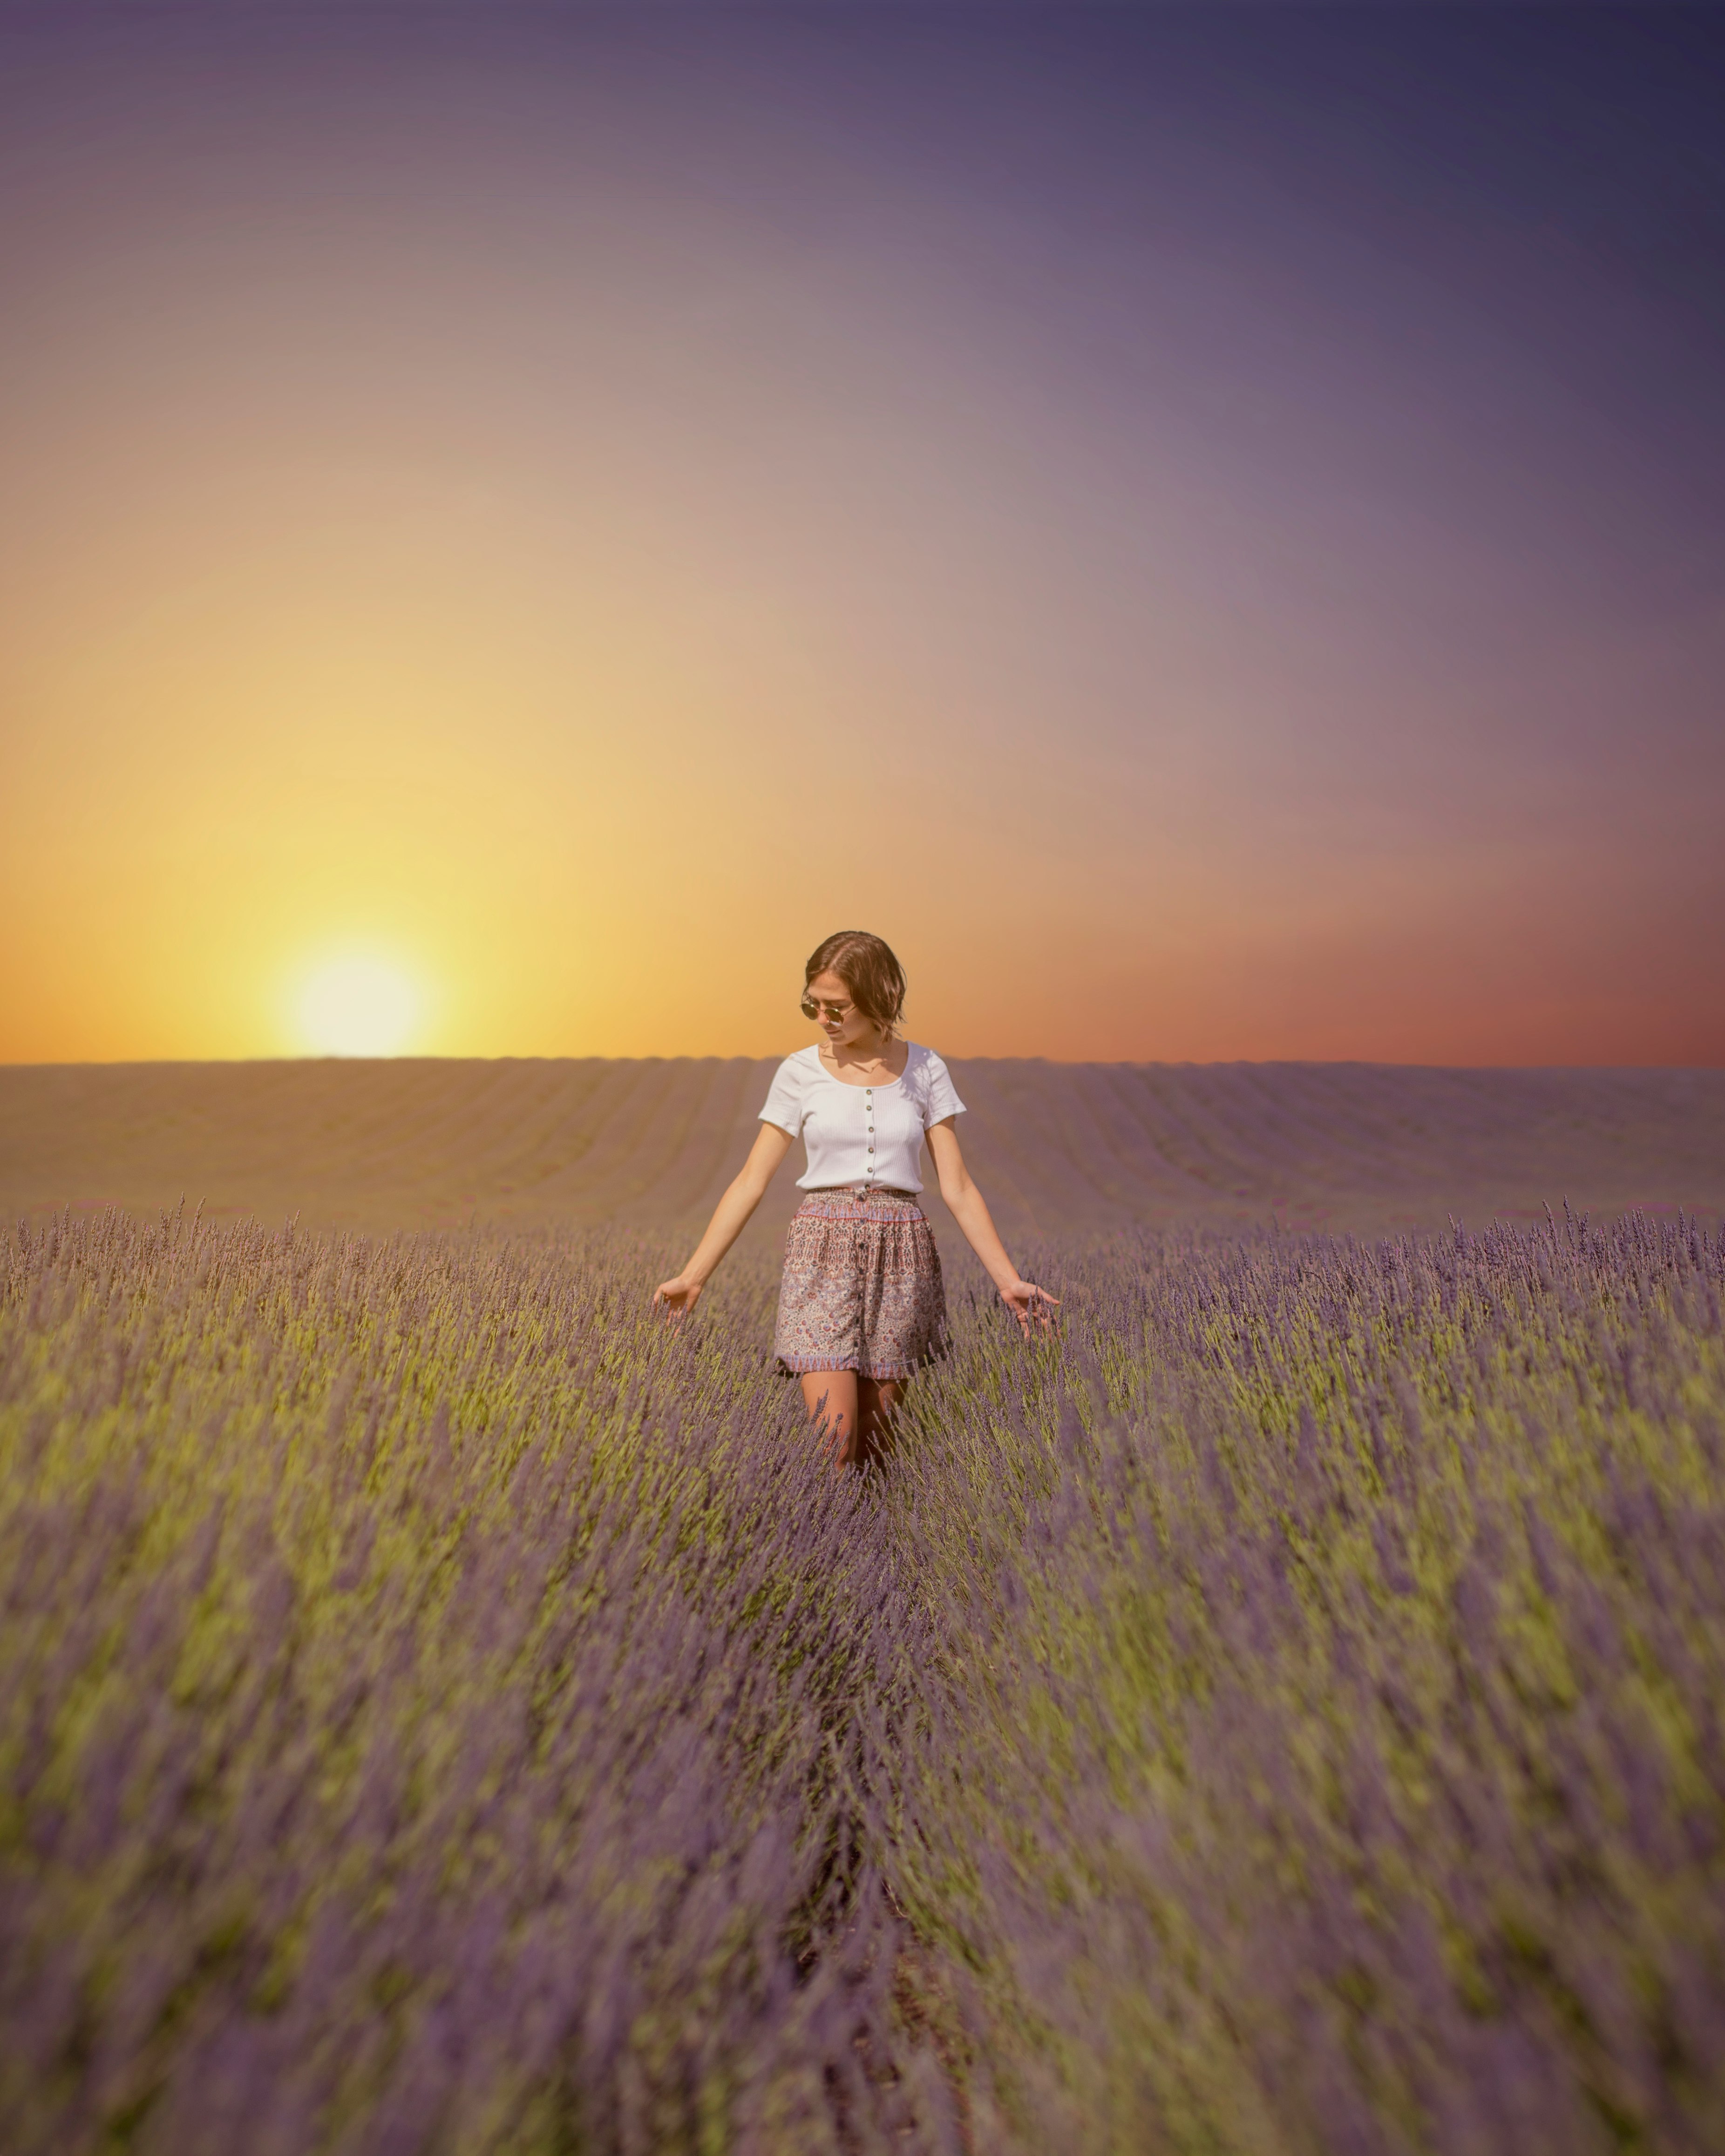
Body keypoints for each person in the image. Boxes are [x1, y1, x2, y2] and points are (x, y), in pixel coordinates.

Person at [652, 930, 1058, 1467]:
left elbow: (956, 1186)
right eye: (812, 1005)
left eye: (837, 1007)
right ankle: (815, 1540)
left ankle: (872, 1543)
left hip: (901, 1254)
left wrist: (1008, 1282)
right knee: (834, 1442)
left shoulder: (926, 1069)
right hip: (821, 1251)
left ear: (878, 998)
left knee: (877, 1444)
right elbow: (751, 1178)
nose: (824, 1018)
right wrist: (694, 1276)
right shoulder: (797, 1072)